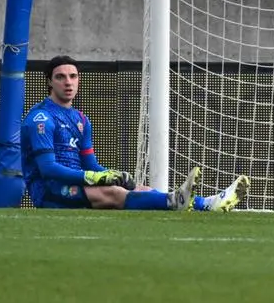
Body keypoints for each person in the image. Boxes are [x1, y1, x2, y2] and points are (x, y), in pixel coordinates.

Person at [21, 55, 250, 211]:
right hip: (49, 190)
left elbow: (90, 165)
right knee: (113, 193)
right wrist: (94, 178)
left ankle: (208, 204)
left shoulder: (81, 119)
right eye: (60, 77)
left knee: (140, 189)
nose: (68, 82)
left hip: (78, 185)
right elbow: (48, 169)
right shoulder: (41, 119)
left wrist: (110, 173)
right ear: (49, 82)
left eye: (73, 76)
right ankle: (176, 201)